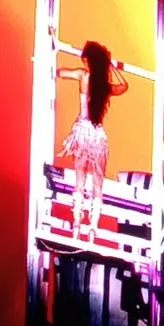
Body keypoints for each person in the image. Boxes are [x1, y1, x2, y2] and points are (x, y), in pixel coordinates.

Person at [56, 38, 129, 241]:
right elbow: (124, 86)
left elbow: (60, 72)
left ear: (88, 60)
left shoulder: (83, 75)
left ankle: (76, 225)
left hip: (82, 131)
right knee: (98, 184)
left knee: (80, 180)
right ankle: (93, 228)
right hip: (97, 135)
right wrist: (111, 65)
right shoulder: (104, 86)